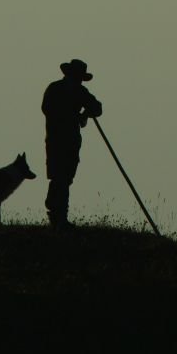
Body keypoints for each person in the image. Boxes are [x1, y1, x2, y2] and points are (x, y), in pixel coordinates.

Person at [41, 59, 102, 229]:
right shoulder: (58, 89)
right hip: (57, 140)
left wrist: (85, 113)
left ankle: (59, 215)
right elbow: (47, 109)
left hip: (69, 141)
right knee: (59, 176)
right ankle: (56, 214)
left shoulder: (78, 91)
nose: (79, 80)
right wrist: (76, 116)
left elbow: (97, 108)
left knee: (64, 177)